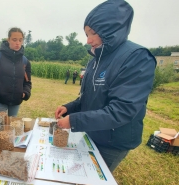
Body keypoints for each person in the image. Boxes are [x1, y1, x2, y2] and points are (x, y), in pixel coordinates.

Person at [55, 0, 156, 172]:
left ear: (110, 29)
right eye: (86, 34)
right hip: (93, 132)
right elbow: (90, 97)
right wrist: (70, 107)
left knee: (92, 179)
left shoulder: (137, 58)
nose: (88, 40)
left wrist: (74, 120)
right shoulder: (95, 60)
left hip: (112, 141)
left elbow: (121, 110)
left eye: (92, 33)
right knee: (78, 173)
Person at [0, 27, 32, 116]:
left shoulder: (25, 62)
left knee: (12, 128)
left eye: (20, 40)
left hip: (15, 103)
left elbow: (27, 82)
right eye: (14, 39)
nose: (17, 43)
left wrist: (25, 93)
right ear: (8, 39)